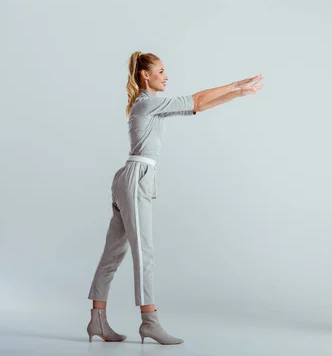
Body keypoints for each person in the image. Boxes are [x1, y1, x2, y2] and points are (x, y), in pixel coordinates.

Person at [86, 51, 263, 345]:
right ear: (145, 75)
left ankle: (97, 320)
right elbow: (195, 99)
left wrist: (237, 93)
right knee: (144, 253)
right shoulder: (148, 103)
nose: (166, 76)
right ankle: (149, 322)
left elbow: (198, 107)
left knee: (113, 255)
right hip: (137, 176)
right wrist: (233, 85)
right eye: (161, 71)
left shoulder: (151, 105)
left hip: (130, 177)